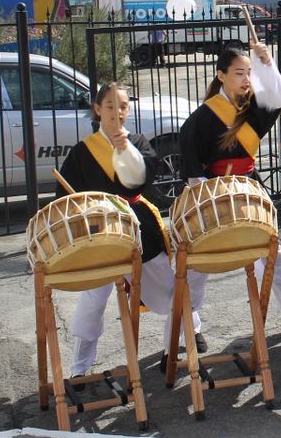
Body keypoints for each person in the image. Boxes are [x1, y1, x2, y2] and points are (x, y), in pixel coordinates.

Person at [61, 82, 206, 382]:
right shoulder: (81, 152)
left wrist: (125, 150)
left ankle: (177, 343)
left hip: (139, 225)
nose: (117, 112)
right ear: (98, 109)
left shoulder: (138, 142)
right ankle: (78, 369)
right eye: (110, 106)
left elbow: (141, 179)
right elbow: (64, 200)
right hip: (99, 231)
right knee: (93, 300)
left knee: (172, 289)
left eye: (123, 106)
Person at [178, 43, 281, 334]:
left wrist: (266, 63)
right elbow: (192, 167)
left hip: (249, 185)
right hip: (213, 192)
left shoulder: (253, 109)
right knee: (200, 260)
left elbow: (276, 99)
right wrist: (205, 202)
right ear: (221, 76)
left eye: (249, 73)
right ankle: (190, 325)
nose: (246, 78)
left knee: (272, 250)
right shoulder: (201, 117)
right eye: (239, 73)